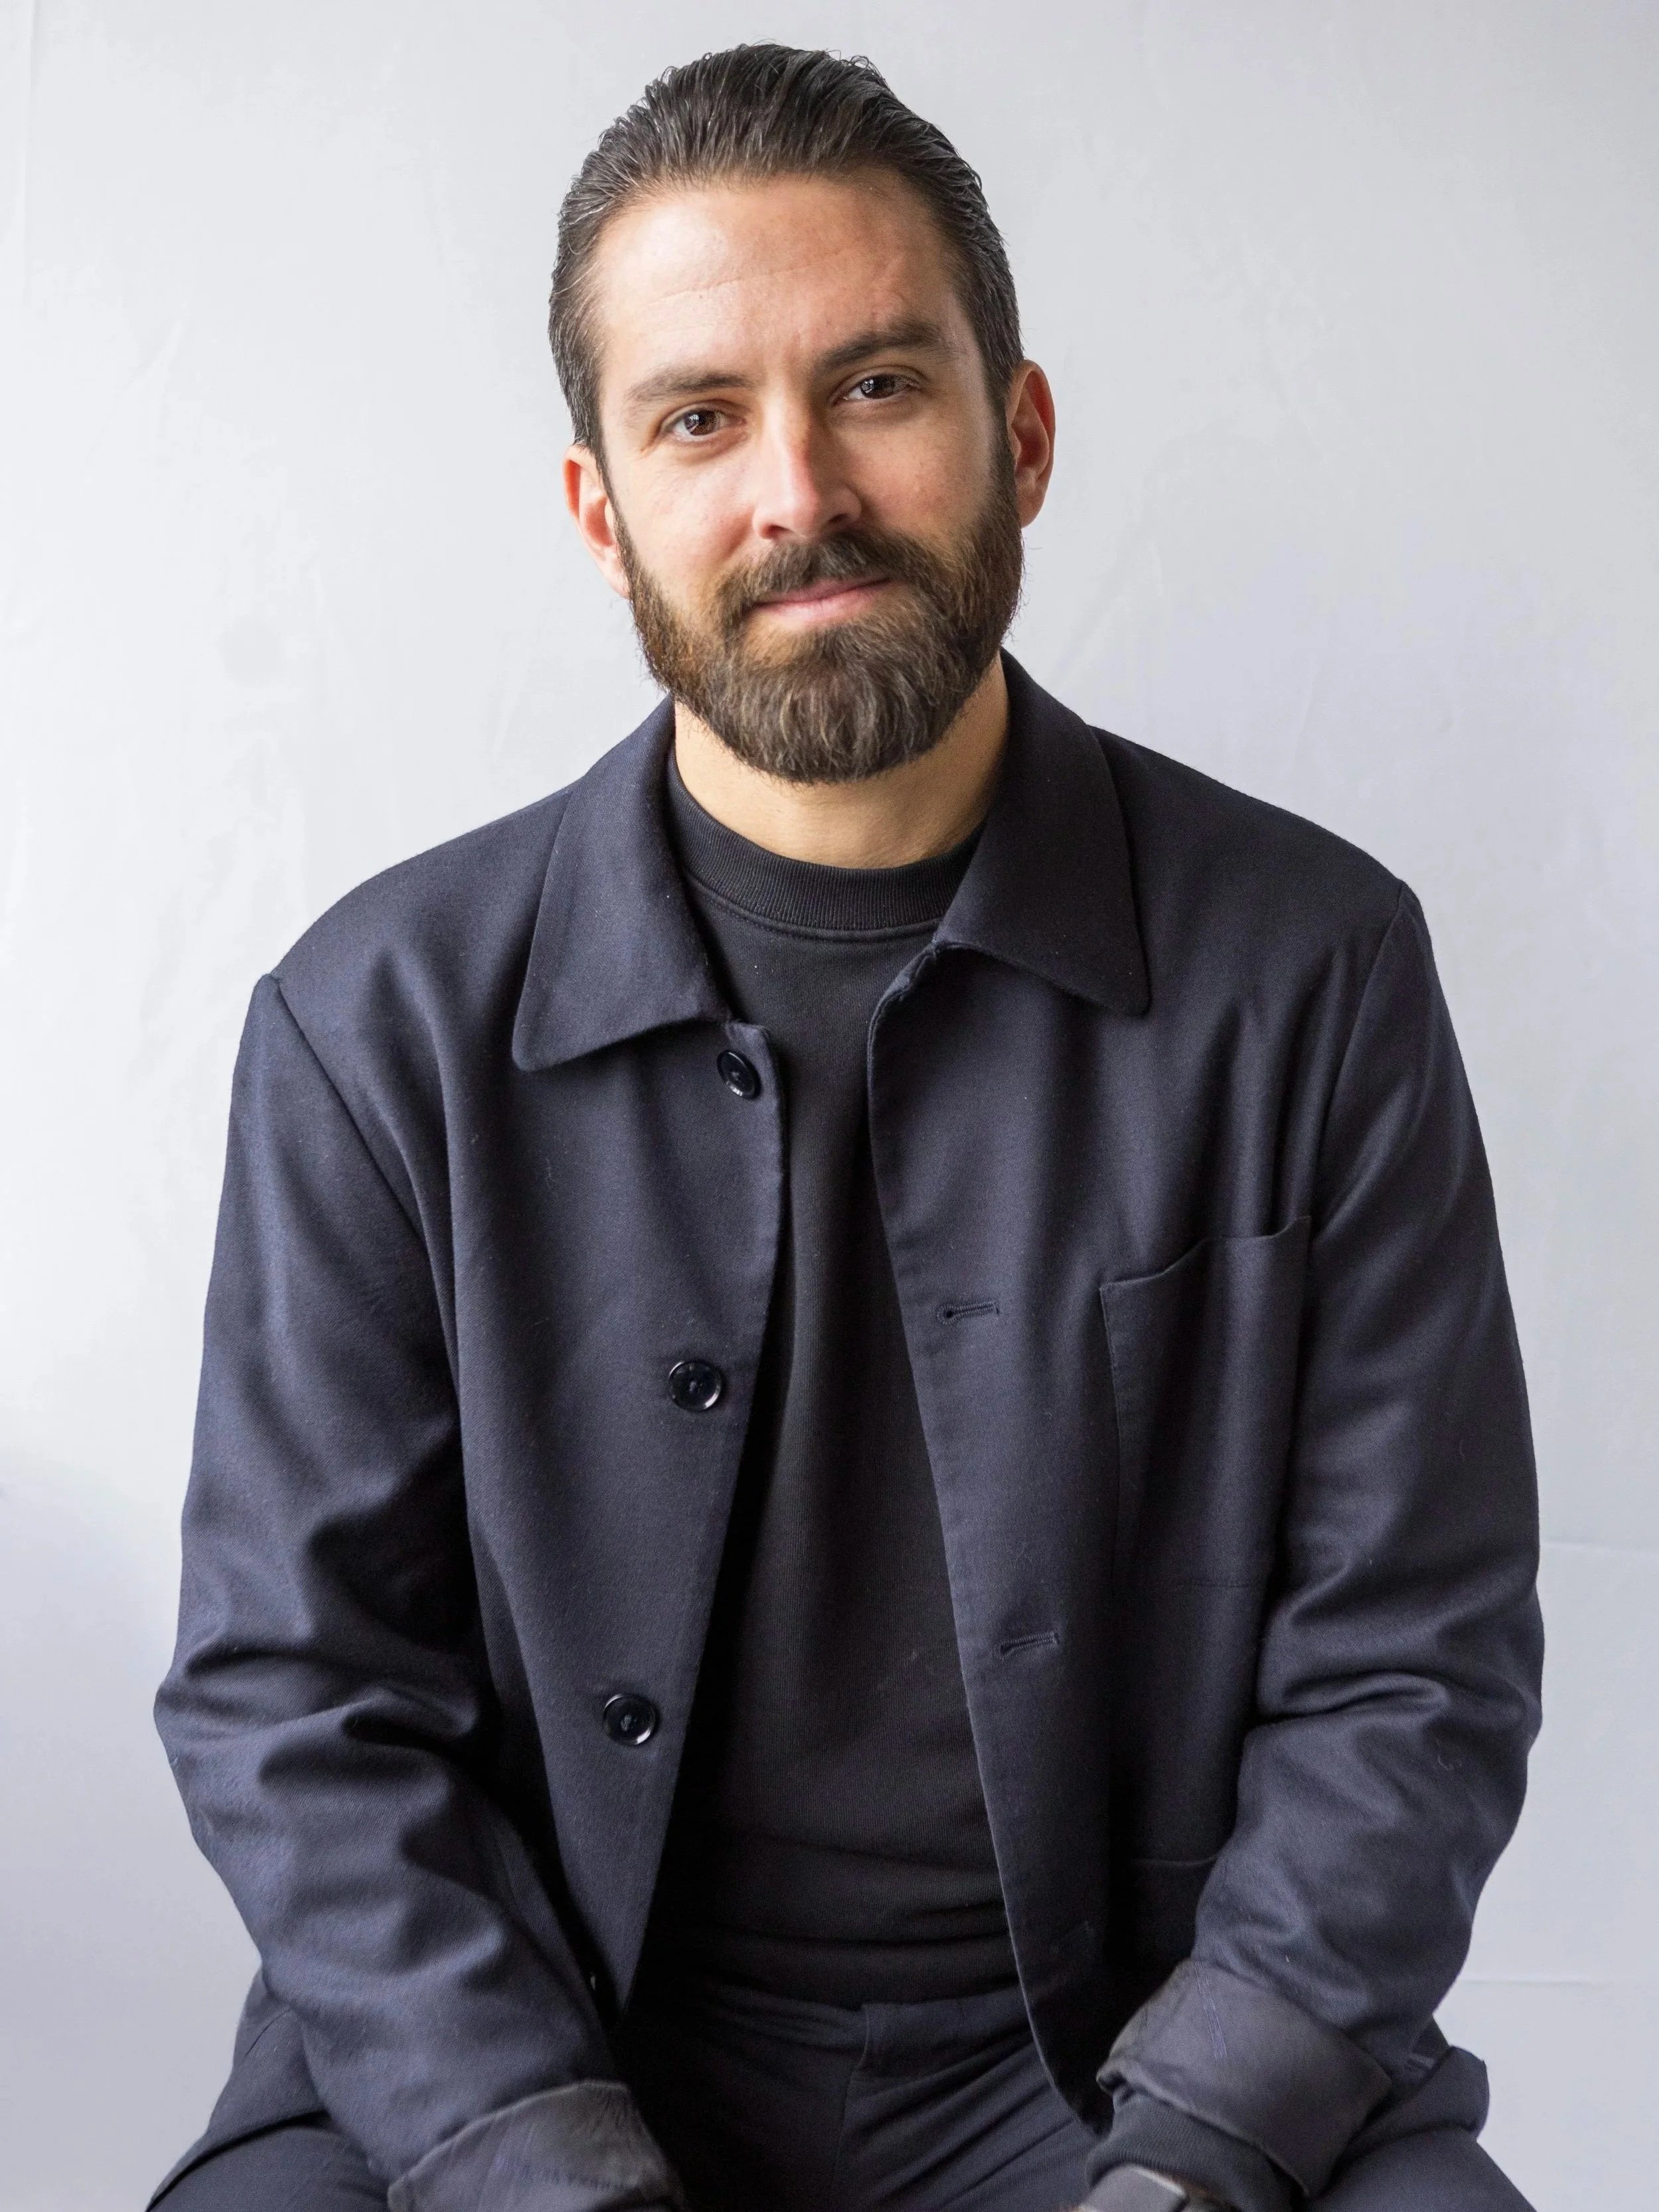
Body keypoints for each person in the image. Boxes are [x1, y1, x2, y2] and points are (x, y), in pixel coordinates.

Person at [149, 44, 1542, 2212]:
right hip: (531, 2045)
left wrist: (1190, 2158)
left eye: (876, 384)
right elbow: (296, 1698)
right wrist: (542, 2166)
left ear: (1022, 434)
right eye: (699, 417)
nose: (797, 490)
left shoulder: (1313, 969)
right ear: (601, 509)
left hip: (1147, 2055)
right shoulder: (373, 1023)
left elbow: (1411, 1667)